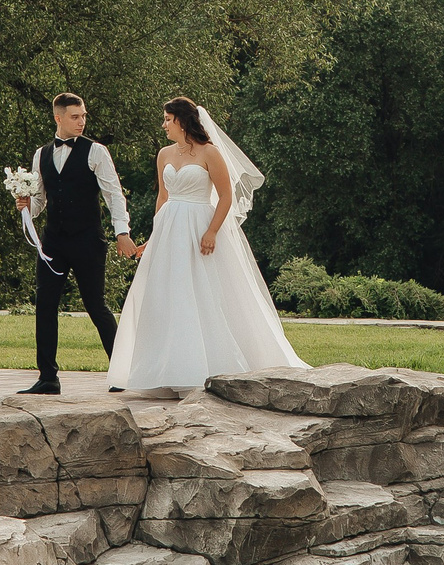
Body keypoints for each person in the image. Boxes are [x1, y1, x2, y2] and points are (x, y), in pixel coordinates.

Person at [105, 97, 307, 392]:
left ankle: (208, 365)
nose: (163, 125)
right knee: (167, 296)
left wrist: (212, 231)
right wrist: (155, 234)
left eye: (167, 119)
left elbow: (225, 195)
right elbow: (163, 197)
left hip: (200, 226)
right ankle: (165, 369)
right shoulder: (163, 154)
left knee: (204, 292)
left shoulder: (209, 153)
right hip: (170, 228)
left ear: (182, 121)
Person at [15, 92, 137, 397]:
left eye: (83, 116)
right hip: (53, 241)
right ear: (58, 118)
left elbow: (114, 195)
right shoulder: (41, 154)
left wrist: (122, 232)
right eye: (75, 117)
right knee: (45, 306)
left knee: (96, 305)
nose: (81, 121)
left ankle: (123, 372)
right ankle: (47, 378)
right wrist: (27, 207)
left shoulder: (96, 152)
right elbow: (41, 199)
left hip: (87, 240)